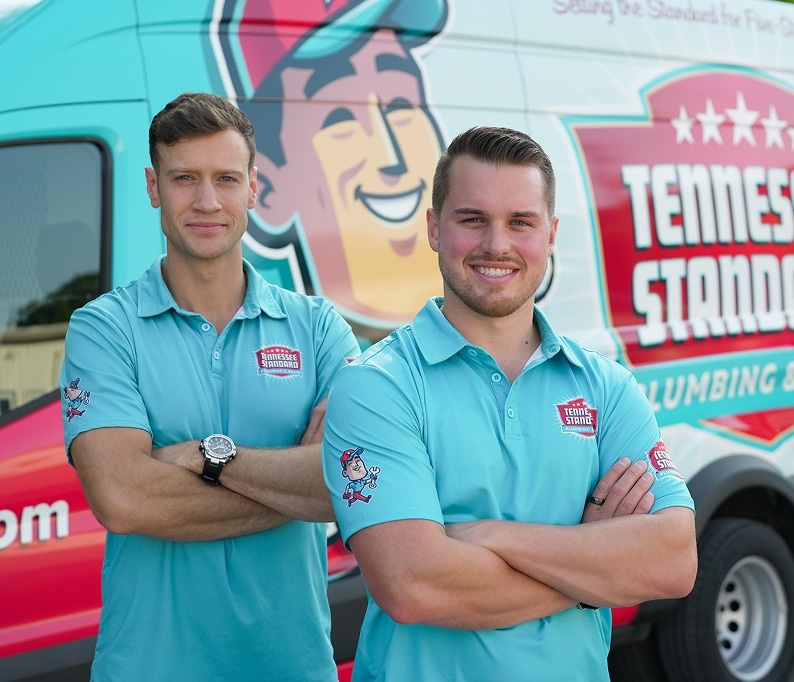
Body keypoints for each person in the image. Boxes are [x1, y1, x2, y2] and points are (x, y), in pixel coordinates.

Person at [322, 126, 698, 681]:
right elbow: (414, 586)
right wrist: (595, 570)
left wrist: (491, 536)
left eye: (521, 222)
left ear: (550, 234)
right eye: (472, 219)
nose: (496, 244)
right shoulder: (377, 385)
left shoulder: (607, 386)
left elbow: (673, 562)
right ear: (433, 228)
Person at [59, 92, 359, 681]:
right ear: (152, 187)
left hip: (290, 665)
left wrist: (205, 457)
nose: (206, 201)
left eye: (225, 178)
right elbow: (124, 499)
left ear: (253, 187)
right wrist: (292, 478)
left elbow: (346, 484)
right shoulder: (102, 329)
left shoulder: (319, 327)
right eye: (183, 179)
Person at [227, 0, 448, 326]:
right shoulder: (301, 359)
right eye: (339, 120)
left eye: (401, 105)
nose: (392, 159)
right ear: (269, 190)